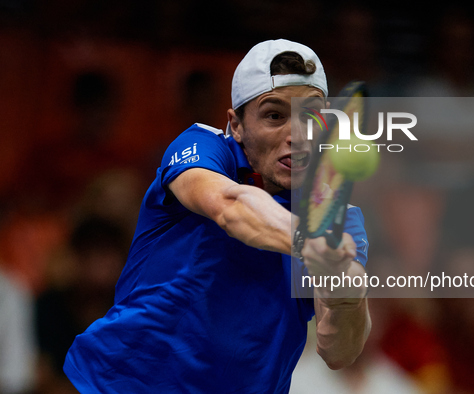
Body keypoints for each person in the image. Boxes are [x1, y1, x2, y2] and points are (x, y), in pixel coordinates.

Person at [63, 39, 371, 393]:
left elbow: (339, 350)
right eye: (274, 115)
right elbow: (230, 206)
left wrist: (344, 292)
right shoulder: (203, 149)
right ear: (236, 125)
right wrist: (309, 241)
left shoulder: (340, 217)